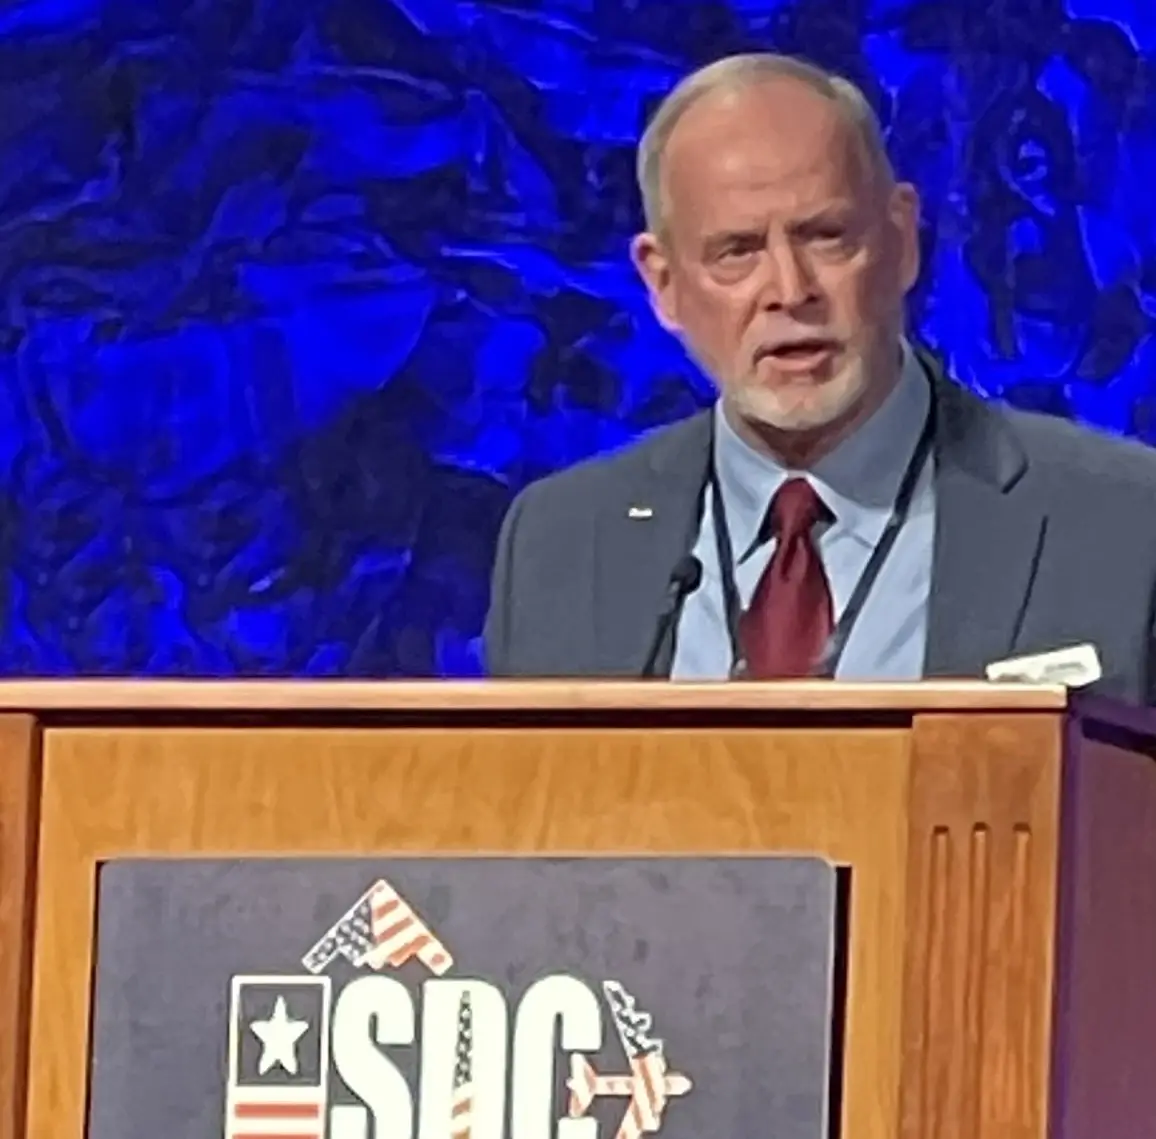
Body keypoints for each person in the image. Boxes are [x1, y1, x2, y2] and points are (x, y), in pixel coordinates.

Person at [483, 52, 1156, 704]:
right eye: (737, 251)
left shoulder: (1124, 520)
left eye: (826, 236)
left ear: (902, 240)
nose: (789, 289)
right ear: (663, 284)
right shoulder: (559, 542)